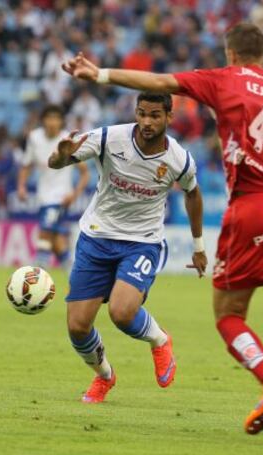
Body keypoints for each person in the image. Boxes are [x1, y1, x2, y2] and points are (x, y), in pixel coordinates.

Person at [61, 22, 263, 446]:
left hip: (255, 205)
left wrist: (100, 74)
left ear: (230, 54)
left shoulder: (226, 79)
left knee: (230, 315)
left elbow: (161, 81)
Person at [48, 92, 207, 404]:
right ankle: (104, 376)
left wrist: (198, 245)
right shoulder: (109, 138)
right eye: (142, 114)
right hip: (96, 237)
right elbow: (57, 163)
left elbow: (193, 194)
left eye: (155, 115)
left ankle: (160, 340)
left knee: (122, 312)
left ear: (169, 117)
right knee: (78, 326)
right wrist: (62, 155)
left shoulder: (179, 159)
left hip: (142, 242)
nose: (147, 122)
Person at [18, 104, 89, 269]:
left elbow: (85, 173)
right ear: (42, 120)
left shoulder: (67, 141)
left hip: (61, 195)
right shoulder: (34, 138)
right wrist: (21, 186)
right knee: (56, 235)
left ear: (61, 122)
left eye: (55, 118)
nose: (52, 122)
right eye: (48, 118)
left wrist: (74, 194)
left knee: (46, 227)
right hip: (43, 194)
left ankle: (39, 266)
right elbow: (27, 165)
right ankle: (69, 266)